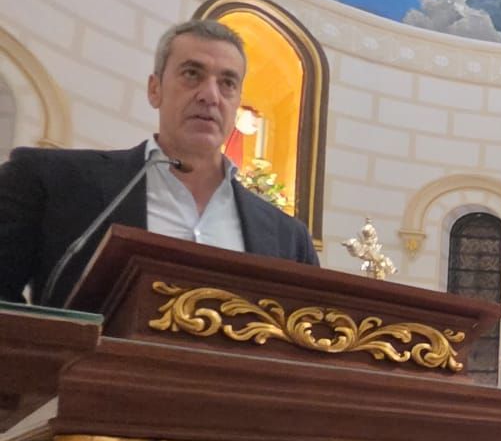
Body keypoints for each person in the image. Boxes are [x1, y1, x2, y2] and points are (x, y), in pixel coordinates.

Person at [0, 19, 319, 305]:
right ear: (155, 90)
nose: (210, 96)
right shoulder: (50, 181)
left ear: (236, 102)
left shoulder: (289, 239)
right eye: (192, 74)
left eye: (227, 83)